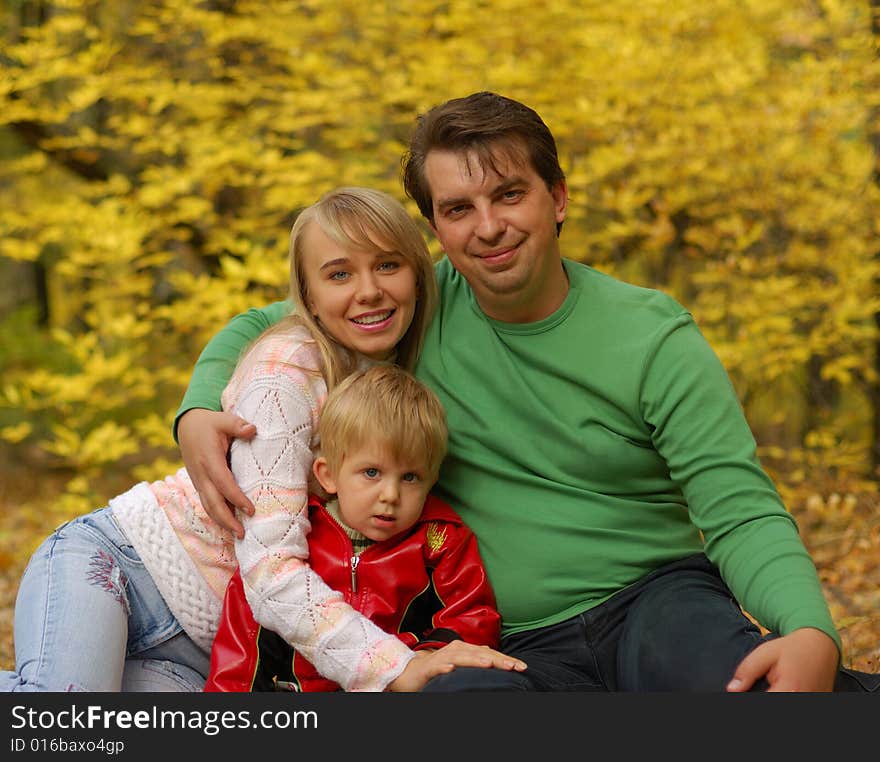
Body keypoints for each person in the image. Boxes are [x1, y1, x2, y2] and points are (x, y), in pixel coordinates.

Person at [175, 93, 878, 692]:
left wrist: (811, 629)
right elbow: (269, 320)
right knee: (456, 709)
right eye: (458, 209)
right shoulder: (415, 306)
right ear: (436, 231)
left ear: (559, 197)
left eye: (509, 194)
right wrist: (201, 408)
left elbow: (740, 511)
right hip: (507, 639)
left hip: (656, 600)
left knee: (737, 682)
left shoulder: (652, 337)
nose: (488, 227)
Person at [1, 186, 523, 692]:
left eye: (388, 265)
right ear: (310, 298)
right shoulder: (283, 377)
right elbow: (271, 570)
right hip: (121, 570)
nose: (369, 290)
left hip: (203, 644)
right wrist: (393, 668)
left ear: (417, 274)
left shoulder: (394, 372)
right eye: (339, 274)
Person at [206, 364, 504, 692]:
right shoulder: (294, 546)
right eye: (372, 473)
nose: (390, 496)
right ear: (328, 475)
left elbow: (472, 617)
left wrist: (425, 660)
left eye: (410, 477)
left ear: (431, 481)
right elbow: (243, 651)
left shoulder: (440, 540)